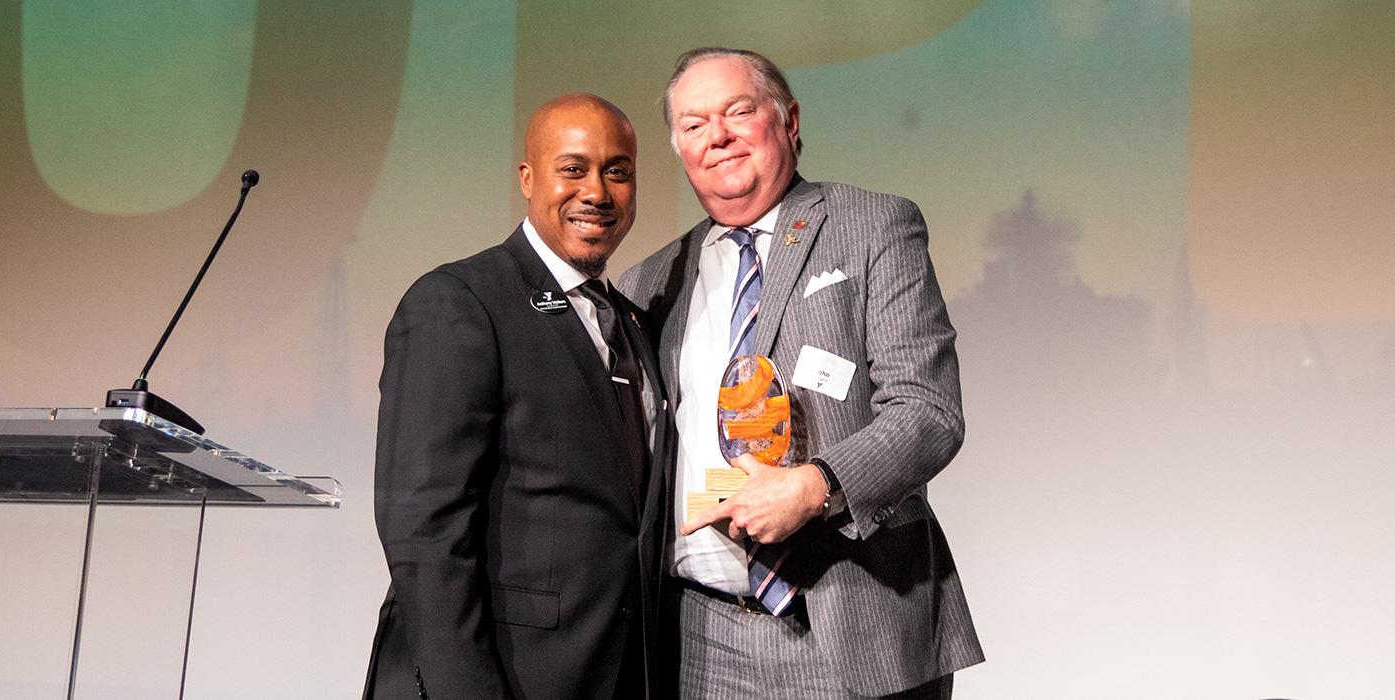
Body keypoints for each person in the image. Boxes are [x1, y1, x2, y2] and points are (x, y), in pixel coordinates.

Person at [619, 48, 982, 699]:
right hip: (699, 638)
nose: (718, 136)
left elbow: (929, 411)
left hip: (847, 625)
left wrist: (817, 485)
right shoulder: (648, 283)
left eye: (737, 112)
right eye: (694, 124)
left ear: (788, 120)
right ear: (678, 148)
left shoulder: (872, 227)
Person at [366, 93, 668, 699]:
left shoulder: (633, 323)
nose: (598, 192)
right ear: (528, 179)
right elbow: (424, 524)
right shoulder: (459, 301)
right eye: (573, 168)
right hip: (497, 677)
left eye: (618, 171)